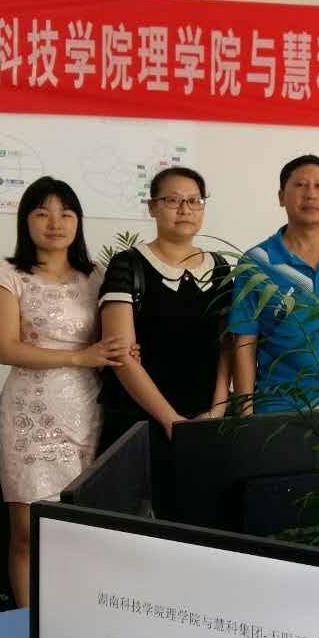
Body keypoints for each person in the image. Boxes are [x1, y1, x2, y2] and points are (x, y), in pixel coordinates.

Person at [0, 177, 126, 608]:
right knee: (28, 530)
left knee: (80, 528)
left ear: (78, 221)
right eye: (42, 213)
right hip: (32, 414)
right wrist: (80, 357)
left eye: (66, 213)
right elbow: (7, 349)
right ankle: (26, 624)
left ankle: (74, 616)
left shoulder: (95, 276)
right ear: (25, 220)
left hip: (87, 410)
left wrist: (122, 349)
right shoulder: (7, 275)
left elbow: (110, 338)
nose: (55, 223)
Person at [97, 167, 232, 517]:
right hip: (140, 423)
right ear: (152, 207)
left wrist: (217, 411)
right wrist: (171, 421)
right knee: (139, 529)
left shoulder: (220, 269)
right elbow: (121, 355)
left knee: (204, 524)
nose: (185, 209)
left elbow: (227, 348)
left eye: (194, 201)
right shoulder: (128, 265)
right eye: (172, 200)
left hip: (205, 423)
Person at [230, 155, 319, 413]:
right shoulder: (256, 262)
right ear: (281, 196)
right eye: (300, 185)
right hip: (279, 409)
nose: (310, 194)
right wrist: (245, 415)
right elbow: (244, 343)